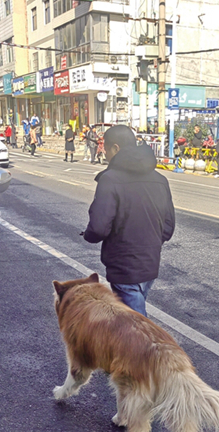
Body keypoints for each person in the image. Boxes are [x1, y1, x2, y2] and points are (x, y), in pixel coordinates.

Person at [83, 125, 175, 316]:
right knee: (132, 319)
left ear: (116, 148)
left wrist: (88, 235)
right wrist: (151, 242)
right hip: (150, 262)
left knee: (135, 326)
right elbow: (168, 226)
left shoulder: (110, 179)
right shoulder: (160, 179)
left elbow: (99, 227)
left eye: (106, 149)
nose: (104, 153)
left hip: (124, 266)